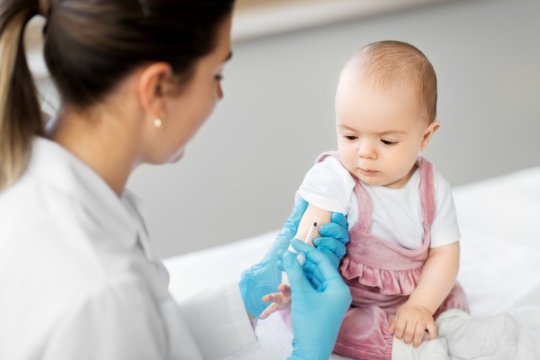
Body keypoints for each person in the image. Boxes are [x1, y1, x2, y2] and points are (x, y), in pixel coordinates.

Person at [0, 0, 352, 359]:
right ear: (156, 89)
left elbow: (148, 336)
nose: (219, 95)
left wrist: (246, 295)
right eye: (216, 75)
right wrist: (309, 352)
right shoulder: (102, 287)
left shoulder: (44, 170)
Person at [259, 41, 470, 359]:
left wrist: (421, 305)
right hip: (350, 300)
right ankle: (408, 346)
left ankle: (441, 329)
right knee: (343, 328)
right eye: (350, 136)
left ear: (425, 136)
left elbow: (444, 255)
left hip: (415, 295)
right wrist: (293, 281)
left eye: (387, 140)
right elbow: (308, 234)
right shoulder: (336, 178)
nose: (365, 152)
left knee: (451, 300)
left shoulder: (433, 187)